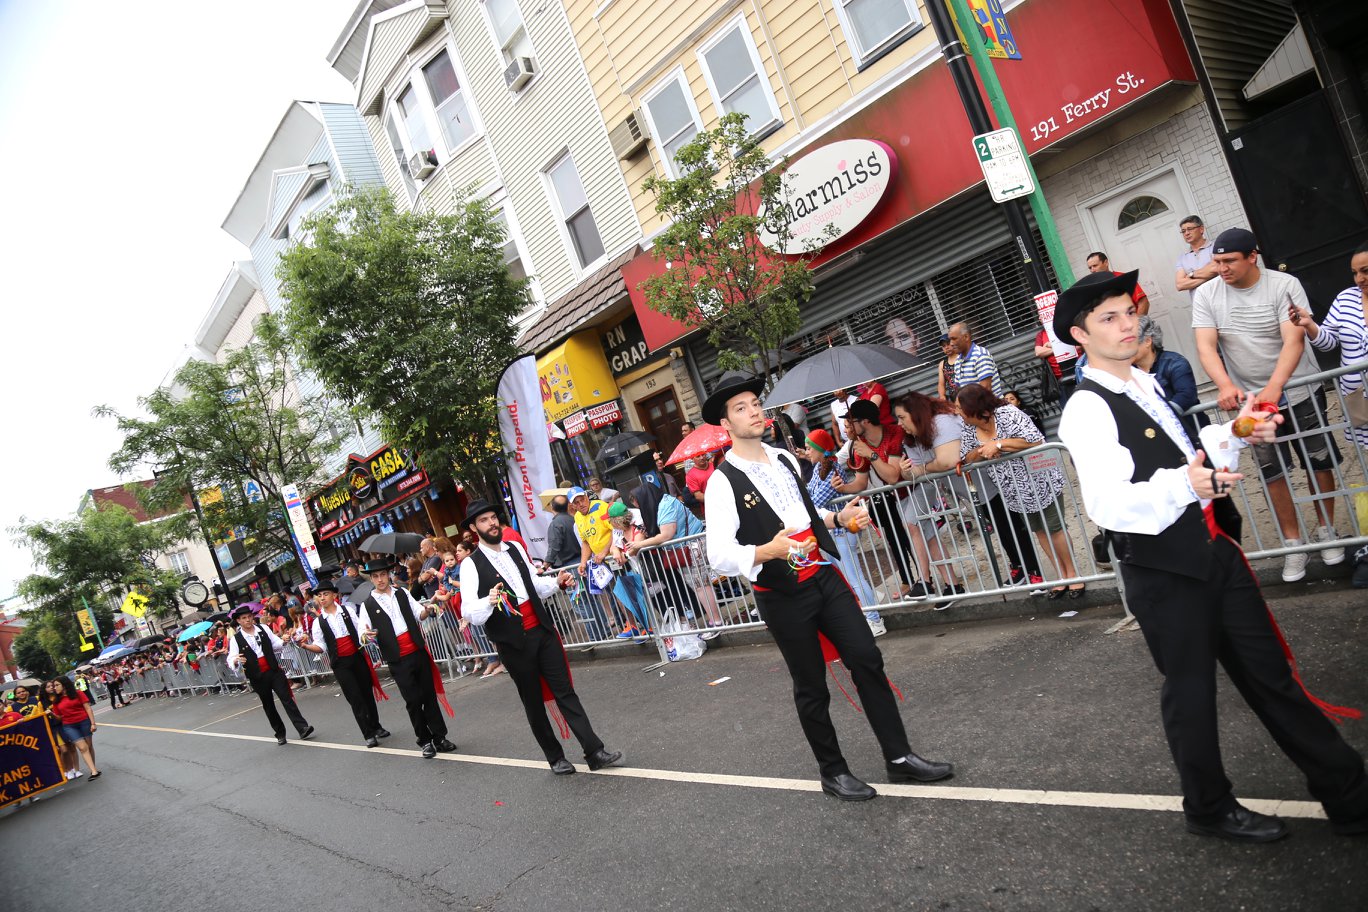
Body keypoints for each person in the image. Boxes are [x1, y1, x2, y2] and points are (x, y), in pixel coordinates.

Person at [1056, 267, 1368, 842]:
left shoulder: (1143, 383)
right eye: (1109, 318)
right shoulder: (1087, 407)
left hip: (1213, 551)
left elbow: (1189, 456)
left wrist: (1238, 431)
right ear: (1080, 336)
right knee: (1192, 692)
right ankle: (1207, 806)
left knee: (1271, 676)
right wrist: (1185, 486)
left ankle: (1348, 794)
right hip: (1165, 573)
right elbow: (1107, 504)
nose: (1128, 325)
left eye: (1130, 312)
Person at [702, 371, 954, 801]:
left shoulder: (783, 458)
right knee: (811, 684)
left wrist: (841, 520)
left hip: (822, 574)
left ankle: (899, 757)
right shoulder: (722, 481)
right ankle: (833, 772)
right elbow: (719, 554)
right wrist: (767, 551)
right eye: (740, 408)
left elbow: (806, 514)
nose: (754, 411)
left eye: (754, 403)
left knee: (866, 657)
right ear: (725, 424)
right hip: (781, 594)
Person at [1193, 227, 1344, 582]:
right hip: (1251, 404)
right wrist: (1225, 384)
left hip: (1300, 389)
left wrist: (1276, 386)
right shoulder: (1207, 294)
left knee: (1318, 461)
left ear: (1252, 257)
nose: (1222, 268)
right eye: (1216, 262)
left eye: (1229, 261)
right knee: (1272, 473)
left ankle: (1327, 530)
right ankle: (1293, 544)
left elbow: (1293, 341)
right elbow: (1205, 345)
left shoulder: (1283, 285)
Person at [460, 500, 623, 775]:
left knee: (566, 692)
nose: (491, 524)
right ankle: (555, 757)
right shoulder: (470, 565)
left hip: (542, 631)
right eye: (484, 521)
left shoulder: (514, 549)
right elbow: (469, 612)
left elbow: (533, 584)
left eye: (492, 518)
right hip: (513, 642)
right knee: (533, 702)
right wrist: (488, 601)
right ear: (475, 528)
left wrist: (556, 583)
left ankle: (594, 751)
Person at [957, 384, 1083, 599]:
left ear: (975, 407)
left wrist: (998, 445)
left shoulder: (1007, 413)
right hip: (1011, 486)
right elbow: (966, 457)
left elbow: (1034, 439)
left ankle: (1074, 575)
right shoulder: (968, 427)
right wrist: (982, 451)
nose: (958, 412)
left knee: (1054, 527)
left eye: (960, 408)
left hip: (1039, 478)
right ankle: (1062, 576)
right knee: (1039, 531)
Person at [356, 558, 456, 759]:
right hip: (397, 658)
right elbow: (362, 633)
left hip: (417, 651)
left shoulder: (402, 593)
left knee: (428, 696)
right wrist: (367, 636)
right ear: (371, 579)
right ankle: (425, 741)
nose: (380, 579)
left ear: (388, 575)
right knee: (413, 700)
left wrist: (429, 608)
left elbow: (419, 613)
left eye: (383, 574)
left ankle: (439, 737)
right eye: (375, 576)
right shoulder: (367, 604)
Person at [801, 428, 885, 636]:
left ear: (820, 449)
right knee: (847, 576)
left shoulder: (833, 470)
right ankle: (872, 602)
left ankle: (875, 619)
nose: (807, 451)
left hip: (843, 531)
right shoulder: (820, 468)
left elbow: (813, 503)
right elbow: (811, 497)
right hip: (834, 531)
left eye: (809, 447)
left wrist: (810, 500)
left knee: (853, 576)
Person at [838, 399, 921, 600]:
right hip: (888, 499)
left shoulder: (894, 433)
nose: (847, 426)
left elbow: (893, 477)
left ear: (865, 421)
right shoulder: (860, 445)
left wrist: (871, 455)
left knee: (920, 539)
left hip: (914, 492)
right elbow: (860, 483)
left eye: (851, 421)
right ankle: (912, 580)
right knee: (896, 539)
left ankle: (928, 580)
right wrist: (843, 487)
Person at [1289, 240, 1368, 450]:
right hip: (1359, 397)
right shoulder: (1345, 299)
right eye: (1355, 273)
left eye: (1365, 271)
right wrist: (1310, 325)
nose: (1359, 279)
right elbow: (1328, 342)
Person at [625, 481, 723, 638]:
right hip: (689, 547)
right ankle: (715, 621)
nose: (639, 507)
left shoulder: (665, 505)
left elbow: (666, 535)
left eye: (639, 503)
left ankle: (716, 622)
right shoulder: (664, 502)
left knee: (701, 586)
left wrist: (639, 544)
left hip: (691, 547)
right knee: (701, 586)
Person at [297, 582, 390, 748]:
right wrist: (305, 646)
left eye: (325, 594)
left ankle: (376, 726)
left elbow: (361, 630)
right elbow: (321, 647)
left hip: (357, 657)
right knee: (355, 698)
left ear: (334, 595)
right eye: (319, 595)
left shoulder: (347, 611)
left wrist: (367, 634)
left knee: (367, 693)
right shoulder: (319, 622)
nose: (322, 598)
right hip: (340, 664)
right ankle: (368, 734)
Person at [226, 604, 314, 745]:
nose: (248, 620)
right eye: (244, 618)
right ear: (239, 621)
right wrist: (236, 661)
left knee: (287, 698)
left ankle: (302, 727)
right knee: (268, 705)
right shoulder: (236, 639)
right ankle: (280, 733)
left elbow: (276, 643)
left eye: (249, 617)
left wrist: (283, 640)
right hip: (257, 676)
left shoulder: (263, 628)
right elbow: (231, 659)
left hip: (273, 670)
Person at [1132, 315, 1206, 443]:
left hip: (1192, 435)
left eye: (1131, 343)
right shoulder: (1128, 372)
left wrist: (1161, 417)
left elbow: (1186, 395)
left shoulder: (1175, 363)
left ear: (1148, 341)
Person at [570, 486, 619, 639]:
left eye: (582, 500)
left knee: (622, 593)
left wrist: (605, 551)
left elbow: (615, 530)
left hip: (615, 557)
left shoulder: (601, 507)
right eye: (576, 503)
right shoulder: (577, 517)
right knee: (613, 594)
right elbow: (586, 542)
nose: (581, 504)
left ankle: (639, 626)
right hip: (601, 563)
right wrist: (583, 562)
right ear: (573, 506)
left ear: (586, 497)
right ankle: (628, 626)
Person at [606, 501, 651, 636]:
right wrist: (615, 552)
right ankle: (640, 626)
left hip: (646, 568)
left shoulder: (637, 527)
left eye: (611, 520)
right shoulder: (619, 531)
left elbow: (636, 545)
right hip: (634, 569)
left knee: (649, 599)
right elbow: (613, 546)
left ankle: (651, 627)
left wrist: (624, 554)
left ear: (617, 520)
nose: (610, 523)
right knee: (626, 594)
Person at [45, 677, 100, 781]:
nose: (54, 688)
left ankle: (94, 768)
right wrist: (52, 714)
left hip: (84, 722)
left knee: (89, 746)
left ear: (64, 685)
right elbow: (59, 717)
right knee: (83, 748)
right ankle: (93, 771)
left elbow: (88, 708)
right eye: (54, 686)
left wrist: (93, 723)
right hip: (69, 726)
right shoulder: (56, 701)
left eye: (57, 685)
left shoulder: (78, 693)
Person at [947, 322, 1005, 397]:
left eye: (954, 339)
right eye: (950, 340)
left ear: (966, 337)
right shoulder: (958, 361)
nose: (951, 343)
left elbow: (986, 390)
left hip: (991, 407)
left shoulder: (980, 355)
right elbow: (959, 391)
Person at [1086, 251, 1150, 314]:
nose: (1092, 270)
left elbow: (1143, 303)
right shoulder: (1094, 288)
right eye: (1090, 268)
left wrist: (1138, 324)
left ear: (1106, 263)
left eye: (1095, 266)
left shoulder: (1124, 278)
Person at [1175, 215, 1219, 298]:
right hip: (1199, 305)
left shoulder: (1216, 247)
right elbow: (1180, 285)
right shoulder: (1182, 258)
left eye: (1190, 229)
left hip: (1220, 299)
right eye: (1183, 231)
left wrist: (1191, 275)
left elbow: (1216, 268)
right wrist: (1209, 276)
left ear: (1201, 229)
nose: (1186, 233)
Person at [544, 495, 580, 570]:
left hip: (568, 566)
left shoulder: (555, 524)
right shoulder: (575, 519)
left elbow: (554, 546)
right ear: (568, 506)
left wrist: (544, 566)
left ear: (552, 507)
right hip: (581, 561)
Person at [935, 334, 961, 403]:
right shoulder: (942, 364)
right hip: (954, 400)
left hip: (967, 394)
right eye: (944, 346)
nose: (946, 347)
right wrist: (942, 397)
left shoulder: (962, 358)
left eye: (948, 344)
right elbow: (941, 384)